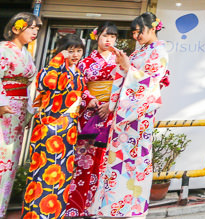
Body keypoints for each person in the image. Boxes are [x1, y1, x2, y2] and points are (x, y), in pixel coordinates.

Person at [91, 12, 171, 218]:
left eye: (139, 31)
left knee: (135, 159)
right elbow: (124, 73)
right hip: (124, 112)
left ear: (153, 28)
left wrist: (128, 68)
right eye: (134, 32)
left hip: (138, 114)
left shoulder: (159, 51)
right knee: (117, 158)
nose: (136, 36)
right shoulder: (141, 52)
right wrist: (123, 65)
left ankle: (131, 206)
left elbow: (151, 83)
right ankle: (112, 205)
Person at [23, 33, 86, 219]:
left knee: (63, 171)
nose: (75, 55)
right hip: (51, 125)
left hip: (69, 127)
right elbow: (46, 83)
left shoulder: (77, 71)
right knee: (45, 169)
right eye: (71, 51)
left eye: (79, 50)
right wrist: (59, 60)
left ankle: (55, 213)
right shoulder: (52, 68)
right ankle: (36, 214)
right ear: (61, 51)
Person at [66, 23, 120, 217]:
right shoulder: (85, 62)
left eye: (113, 37)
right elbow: (78, 85)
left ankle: (99, 207)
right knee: (83, 159)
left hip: (111, 113)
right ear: (96, 37)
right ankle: (77, 205)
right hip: (90, 112)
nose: (109, 40)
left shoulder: (120, 61)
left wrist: (111, 104)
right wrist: (90, 99)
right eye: (105, 36)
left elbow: (126, 84)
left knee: (106, 159)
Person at [0, 12, 41, 215]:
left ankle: (2, 208)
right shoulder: (3, 49)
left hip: (18, 109)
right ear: (17, 28)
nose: (34, 32)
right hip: (4, 109)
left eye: (37, 29)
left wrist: (29, 110)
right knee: (2, 157)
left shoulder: (26, 53)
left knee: (11, 161)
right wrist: (2, 103)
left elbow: (27, 85)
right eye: (31, 28)